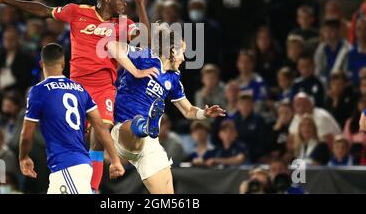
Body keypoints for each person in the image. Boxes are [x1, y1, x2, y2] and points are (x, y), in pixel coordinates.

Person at [0, 0, 150, 192]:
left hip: (104, 88)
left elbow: (145, 40)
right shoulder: (76, 12)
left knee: (100, 135)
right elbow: (43, 10)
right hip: (76, 88)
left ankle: (92, 189)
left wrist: (141, 3)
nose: (124, 2)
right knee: (75, 140)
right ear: (106, 0)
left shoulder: (123, 24)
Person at [108, 25, 225, 193]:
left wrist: (203, 113)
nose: (184, 58)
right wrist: (136, 71)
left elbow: (187, 110)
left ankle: (147, 127)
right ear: (171, 50)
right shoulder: (145, 55)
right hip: (124, 130)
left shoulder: (174, 79)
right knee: (134, 126)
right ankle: (144, 126)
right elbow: (112, 46)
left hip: (149, 144)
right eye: (182, 52)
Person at [19, 43, 125, 194]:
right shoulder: (80, 89)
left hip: (68, 168)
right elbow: (101, 128)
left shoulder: (38, 91)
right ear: (63, 64)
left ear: (41, 63)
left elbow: (26, 135)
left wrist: (23, 157)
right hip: (74, 167)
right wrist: (115, 160)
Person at [230, 91, 267, 162]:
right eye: (242, 104)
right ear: (237, 105)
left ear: (253, 105)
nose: (244, 107)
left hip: (253, 156)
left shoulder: (258, 120)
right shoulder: (234, 119)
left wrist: (257, 155)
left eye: (247, 104)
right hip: (236, 154)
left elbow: (261, 140)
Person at [347, 18, 366, 85]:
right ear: (355, 31)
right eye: (359, 29)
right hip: (357, 89)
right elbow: (350, 76)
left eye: (365, 29)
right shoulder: (351, 53)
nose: (362, 32)